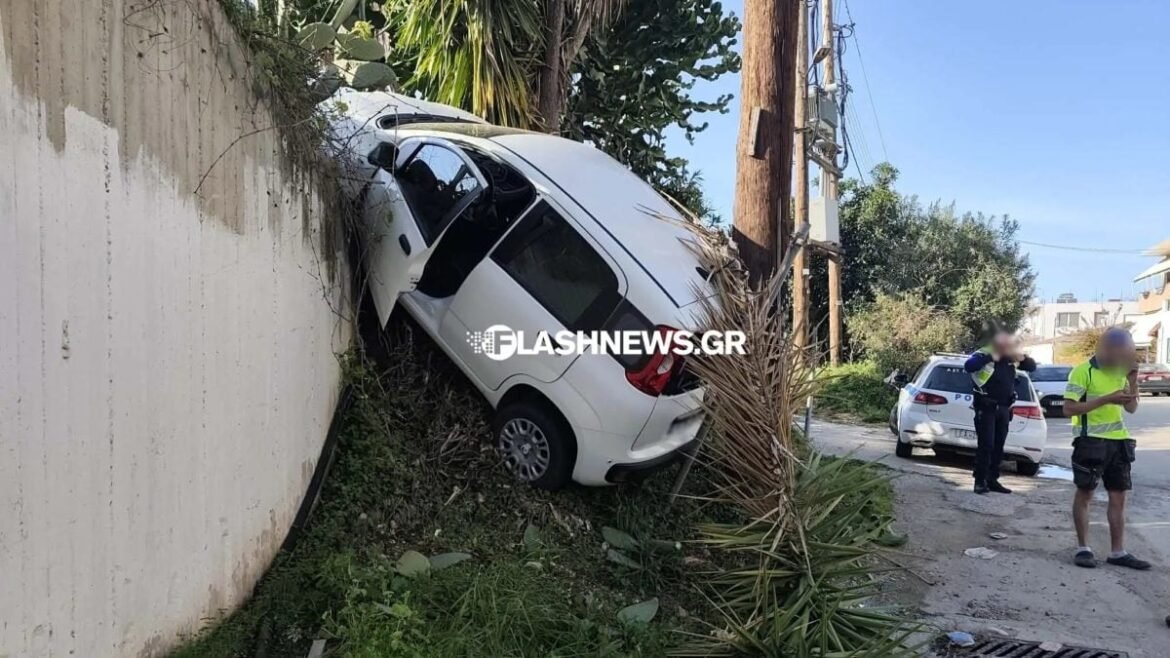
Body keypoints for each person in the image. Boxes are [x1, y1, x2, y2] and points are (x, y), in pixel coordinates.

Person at [1062, 328, 1149, 570]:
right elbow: (1068, 409)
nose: (1122, 360)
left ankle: (1118, 552)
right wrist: (1105, 399)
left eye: (1127, 355)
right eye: (1119, 355)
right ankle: (1083, 549)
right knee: (1086, 494)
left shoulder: (1122, 371)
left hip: (1119, 441)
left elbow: (1131, 409)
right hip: (1090, 441)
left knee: (1119, 497)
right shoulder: (1083, 372)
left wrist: (1132, 380)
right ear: (1105, 350)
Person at [964, 332, 1036, 494]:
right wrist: (992, 355)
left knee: (998, 446)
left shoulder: (1012, 358)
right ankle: (980, 481)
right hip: (986, 406)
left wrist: (1022, 357)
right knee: (986, 445)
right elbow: (969, 366)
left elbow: (1032, 367)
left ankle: (992, 479)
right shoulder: (984, 353)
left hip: (1004, 407)